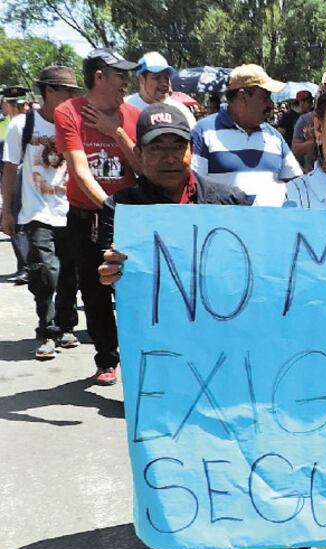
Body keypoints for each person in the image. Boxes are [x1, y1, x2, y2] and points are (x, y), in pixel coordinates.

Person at [98, 102, 251, 549]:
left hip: (222, 341)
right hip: (159, 347)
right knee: (164, 435)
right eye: (156, 147)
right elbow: (104, 272)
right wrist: (110, 271)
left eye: (177, 146)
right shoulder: (121, 208)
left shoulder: (231, 201)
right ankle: (165, 535)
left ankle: (228, 513)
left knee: (226, 427)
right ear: (138, 156)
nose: (168, 156)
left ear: (191, 151)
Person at [54, 48, 140, 386]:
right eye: (120, 74)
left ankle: (140, 358)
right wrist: (110, 208)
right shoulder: (69, 112)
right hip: (87, 216)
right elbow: (78, 170)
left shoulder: (131, 114)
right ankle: (107, 358)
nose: (125, 82)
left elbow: (142, 168)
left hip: (132, 214)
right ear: (99, 76)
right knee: (94, 290)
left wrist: (114, 131)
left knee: (132, 289)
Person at [1, 66, 82, 359]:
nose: (72, 97)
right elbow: (10, 168)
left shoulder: (75, 123)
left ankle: (67, 327)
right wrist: (6, 212)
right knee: (46, 271)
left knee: (69, 274)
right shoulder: (22, 125)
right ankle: (47, 331)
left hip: (69, 209)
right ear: (50, 91)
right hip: (36, 212)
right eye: (67, 92)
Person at [191, 64, 302, 206]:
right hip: (222, 227)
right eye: (265, 97)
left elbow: (296, 183)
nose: (270, 104)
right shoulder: (204, 132)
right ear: (243, 96)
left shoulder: (274, 136)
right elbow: (194, 187)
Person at [1, 85, 32, 284]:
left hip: (19, 175)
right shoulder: (33, 120)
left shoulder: (15, 124)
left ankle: (25, 266)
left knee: (15, 217)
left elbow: (10, 164)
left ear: (10, 104)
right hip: (32, 176)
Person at [123, 51, 197, 127]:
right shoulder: (124, 107)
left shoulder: (180, 111)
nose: (164, 83)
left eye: (166, 78)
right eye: (157, 78)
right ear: (141, 80)